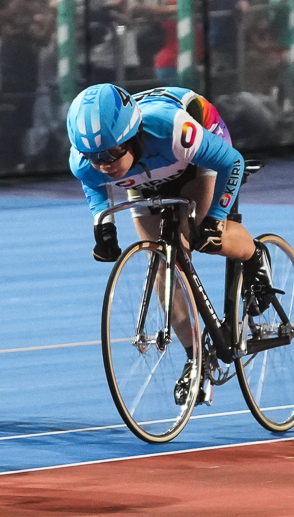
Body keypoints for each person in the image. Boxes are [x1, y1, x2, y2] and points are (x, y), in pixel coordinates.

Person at [66, 83, 270, 405]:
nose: (103, 163)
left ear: (132, 136)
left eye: (110, 153)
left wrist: (217, 216)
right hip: (148, 175)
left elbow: (232, 162)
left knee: (204, 235)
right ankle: (196, 359)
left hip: (195, 152)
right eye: (93, 157)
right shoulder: (84, 161)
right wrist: (103, 227)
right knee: (162, 262)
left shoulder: (173, 131)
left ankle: (255, 256)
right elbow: (94, 185)